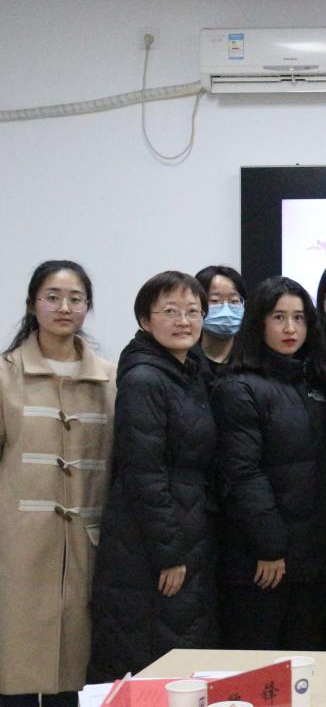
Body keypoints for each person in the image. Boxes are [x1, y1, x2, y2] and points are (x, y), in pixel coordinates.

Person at [88, 272, 219, 681]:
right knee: (150, 657)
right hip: (149, 544)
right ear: (146, 320)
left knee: (181, 651)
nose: (184, 321)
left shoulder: (189, 373)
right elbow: (144, 471)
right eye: (170, 311)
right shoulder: (144, 379)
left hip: (185, 526)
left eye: (193, 312)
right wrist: (169, 553)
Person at [0, 261, 115, 707]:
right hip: (17, 547)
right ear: (32, 305)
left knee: (77, 673)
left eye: (75, 298)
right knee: (16, 668)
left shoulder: (108, 379)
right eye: (52, 297)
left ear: (87, 307)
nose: (64, 307)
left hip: (89, 545)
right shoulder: (5, 375)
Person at [213, 276, 326, 651]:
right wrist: (270, 547)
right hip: (264, 560)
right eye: (279, 317)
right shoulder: (238, 387)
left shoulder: (317, 382)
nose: (290, 329)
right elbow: (242, 474)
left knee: (311, 663)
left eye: (299, 318)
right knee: (262, 666)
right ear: (259, 322)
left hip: (315, 558)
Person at [194, 265, 247, 374]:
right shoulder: (186, 359)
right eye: (215, 301)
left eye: (234, 301)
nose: (226, 310)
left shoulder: (253, 361)